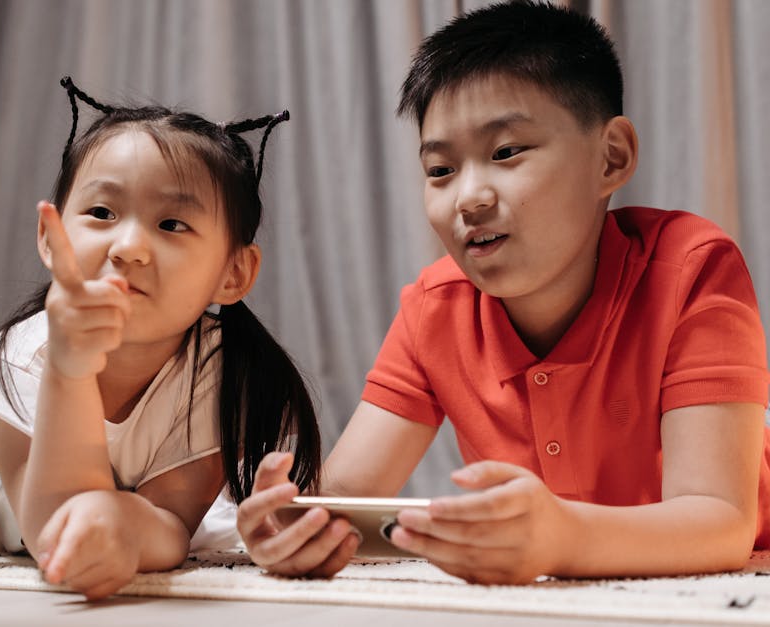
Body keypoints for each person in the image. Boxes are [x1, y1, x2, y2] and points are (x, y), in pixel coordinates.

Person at [238, 0, 770, 585]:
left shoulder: (691, 269)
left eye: (506, 152)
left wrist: (562, 539)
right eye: (440, 170)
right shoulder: (433, 307)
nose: (468, 198)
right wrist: (300, 528)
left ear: (611, 158)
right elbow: (347, 500)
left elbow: (720, 522)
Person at [0, 77, 322, 600]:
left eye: (171, 223)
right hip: (29, 518)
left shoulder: (223, 369)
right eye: (102, 213)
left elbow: (171, 521)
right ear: (49, 236)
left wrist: (126, 524)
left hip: (146, 522)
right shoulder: (17, 358)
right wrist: (69, 367)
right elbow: (50, 534)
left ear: (234, 272)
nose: (128, 247)